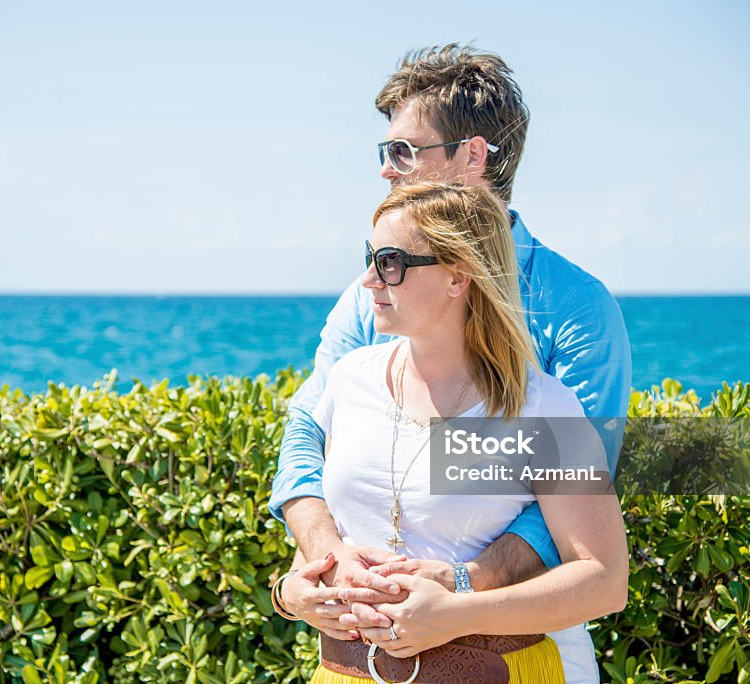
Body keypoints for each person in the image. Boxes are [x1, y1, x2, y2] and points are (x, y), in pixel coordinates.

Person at [269, 44, 631, 683]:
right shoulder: (372, 299)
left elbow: (573, 509)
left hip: (516, 649)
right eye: (386, 151)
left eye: (406, 150)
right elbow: (311, 435)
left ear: (473, 155)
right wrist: (324, 567)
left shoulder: (575, 307)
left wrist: (458, 590)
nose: (387, 170)